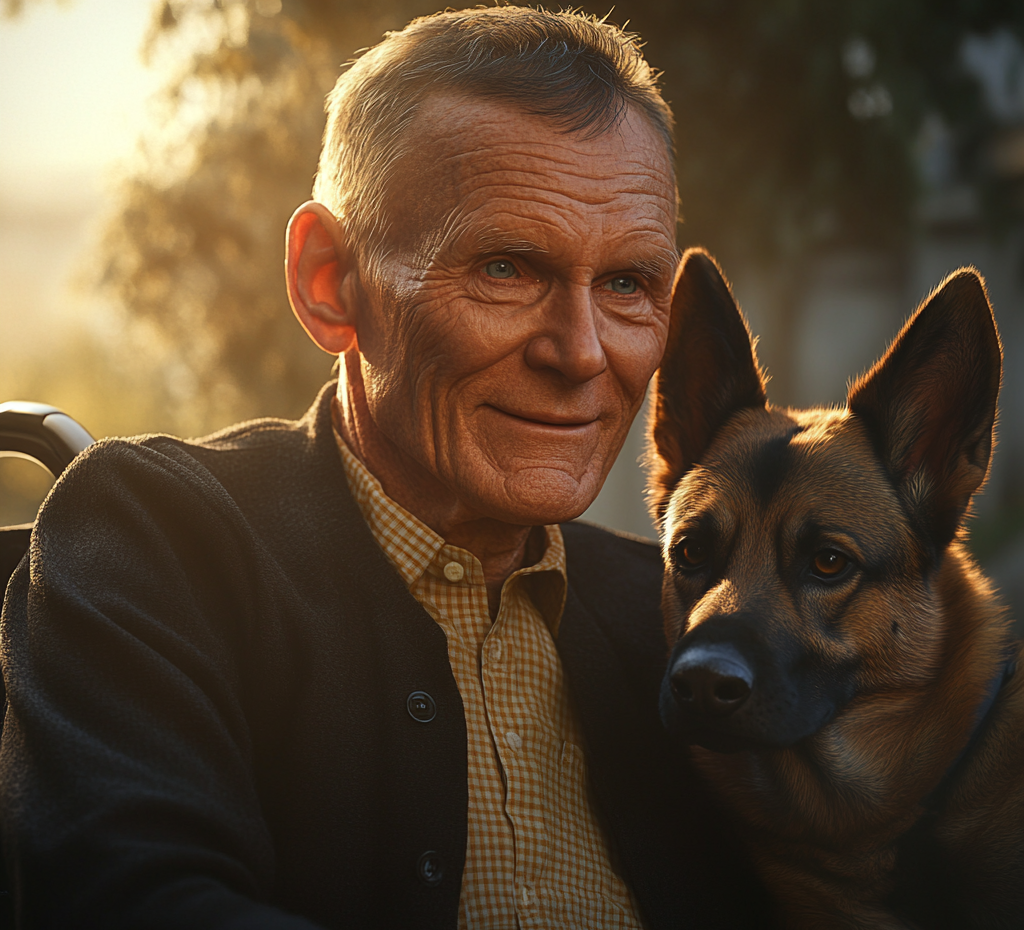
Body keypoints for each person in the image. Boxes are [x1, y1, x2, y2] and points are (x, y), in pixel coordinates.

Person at [0, 7, 769, 929]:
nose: (582, 353)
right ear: (330, 282)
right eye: (507, 268)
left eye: (628, 285)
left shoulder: (676, 617)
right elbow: (135, 901)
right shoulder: (156, 538)